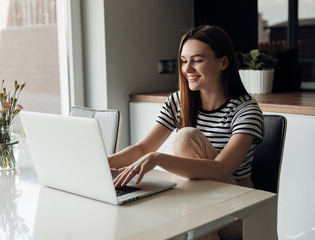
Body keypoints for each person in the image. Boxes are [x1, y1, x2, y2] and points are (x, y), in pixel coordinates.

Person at [108, 25, 263, 239]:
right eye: (183, 60)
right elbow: (143, 148)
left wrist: (158, 158)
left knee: (186, 137)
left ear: (223, 63)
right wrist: (103, 163)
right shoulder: (177, 101)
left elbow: (221, 169)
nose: (187, 68)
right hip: (195, 202)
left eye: (197, 60)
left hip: (238, 207)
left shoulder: (246, 110)